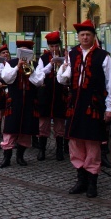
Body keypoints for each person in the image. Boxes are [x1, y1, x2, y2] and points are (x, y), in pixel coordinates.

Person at [57, 19, 111, 198]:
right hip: (75, 103)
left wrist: (110, 108)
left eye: (88, 35)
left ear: (93, 37)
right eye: (82, 35)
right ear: (78, 37)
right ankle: (81, 178)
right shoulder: (72, 54)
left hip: (93, 104)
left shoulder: (103, 56)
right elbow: (62, 80)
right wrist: (63, 69)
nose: (85, 37)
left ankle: (92, 180)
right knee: (75, 141)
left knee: (92, 142)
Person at [0, 40, 44, 168]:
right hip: (14, 102)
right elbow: (6, 78)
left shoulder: (35, 64)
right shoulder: (10, 63)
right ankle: (6, 158)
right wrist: (17, 67)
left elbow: (39, 81)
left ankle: (20, 156)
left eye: (27, 51)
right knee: (9, 130)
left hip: (29, 102)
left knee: (26, 131)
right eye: (21, 50)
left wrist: (31, 70)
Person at [35, 31, 68, 161]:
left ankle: (59, 150)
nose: (54, 49)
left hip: (60, 94)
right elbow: (39, 74)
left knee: (60, 123)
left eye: (56, 46)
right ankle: (41, 149)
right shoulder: (43, 59)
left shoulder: (66, 56)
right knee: (43, 123)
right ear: (48, 46)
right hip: (46, 94)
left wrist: (63, 66)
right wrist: (51, 64)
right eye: (52, 46)